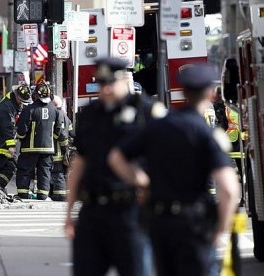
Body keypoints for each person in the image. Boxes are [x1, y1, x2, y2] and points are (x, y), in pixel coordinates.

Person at [109, 63, 239, 276]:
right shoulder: (207, 134)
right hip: (194, 224)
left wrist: (142, 182)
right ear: (210, 93)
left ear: (184, 91)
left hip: (160, 222)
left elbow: (116, 158)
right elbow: (228, 188)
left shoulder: (158, 126)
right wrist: (221, 229)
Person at [64, 58, 166, 276]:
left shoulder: (146, 112)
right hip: (92, 210)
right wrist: (69, 213)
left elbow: (163, 159)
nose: (106, 89)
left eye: (111, 83)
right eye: (101, 84)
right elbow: (80, 162)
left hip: (130, 210)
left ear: (125, 80)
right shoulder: (90, 114)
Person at [15, 83, 66, 200]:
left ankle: (23, 193)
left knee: (25, 170)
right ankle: (43, 194)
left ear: (36, 95)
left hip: (29, 148)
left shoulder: (29, 109)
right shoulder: (55, 111)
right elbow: (58, 131)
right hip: (48, 149)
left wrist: (22, 138)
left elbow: (22, 129)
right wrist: (49, 138)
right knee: (44, 172)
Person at [0, 85, 33, 190]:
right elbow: (7, 127)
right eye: (21, 100)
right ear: (17, 96)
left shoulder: (14, 104)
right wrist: (11, 145)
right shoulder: (7, 106)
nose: (22, 103)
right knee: (11, 167)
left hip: (0, 143)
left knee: (1, 170)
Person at [49, 95, 72, 201]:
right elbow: (70, 132)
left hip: (57, 150)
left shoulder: (57, 115)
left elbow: (61, 133)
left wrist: (64, 146)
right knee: (60, 172)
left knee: (57, 173)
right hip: (62, 151)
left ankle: (60, 194)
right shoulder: (66, 116)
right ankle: (54, 192)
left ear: (54, 104)